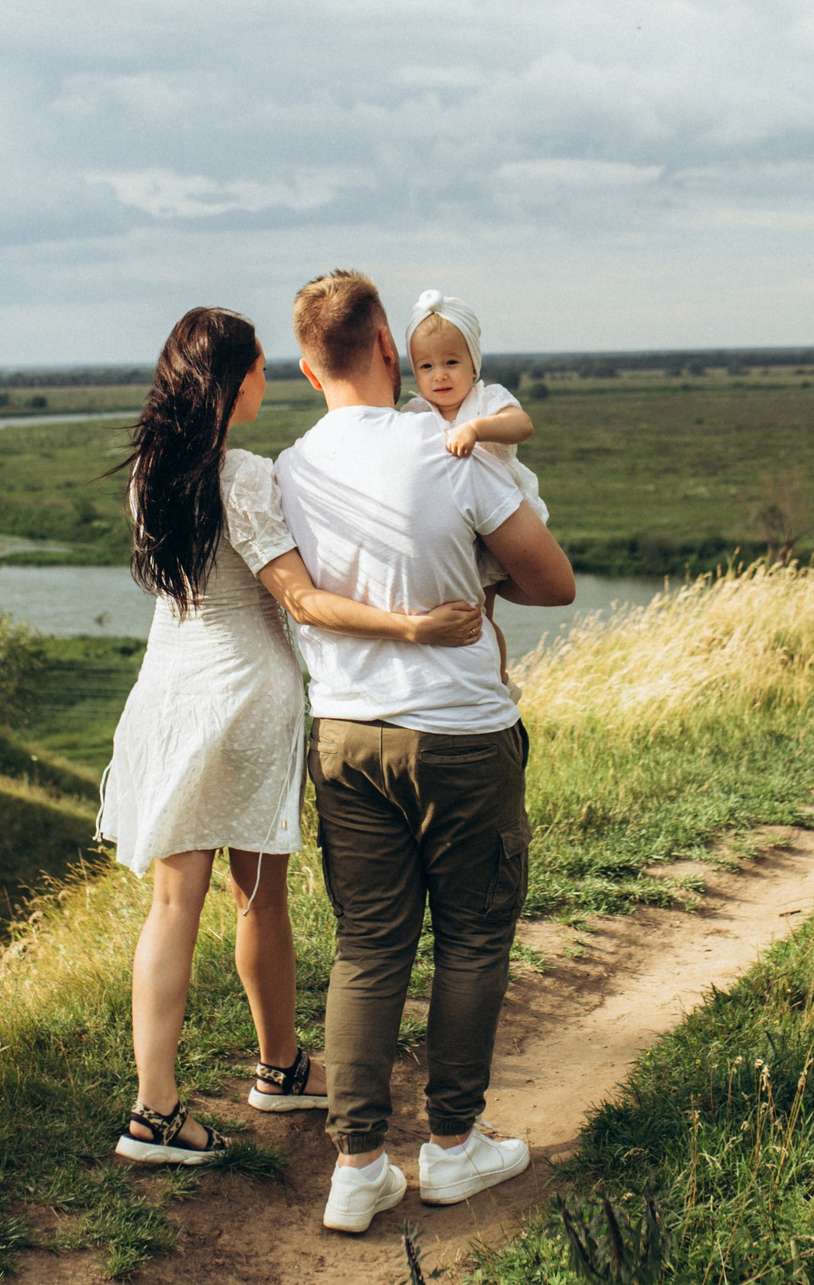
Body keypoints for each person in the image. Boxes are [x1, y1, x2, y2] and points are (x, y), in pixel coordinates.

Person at [95, 307, 486, 1167]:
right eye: (260, 368)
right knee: (256, 896)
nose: (267, 382)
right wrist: (413, 625)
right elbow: (301, 600)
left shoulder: (150, 474)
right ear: (231, 381)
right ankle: (245, 1078)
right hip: (243, 697)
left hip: (168, 692)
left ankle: (178, 1096)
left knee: (174, 903)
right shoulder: (241, 474)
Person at [272, 270, 577, 1234]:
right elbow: (555, 582)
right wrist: (480, 585)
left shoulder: (289, 469)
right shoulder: (453, 447)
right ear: (388, 349)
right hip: (460, 736)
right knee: (473, 937)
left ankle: (357, 1165)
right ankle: (451, 1145)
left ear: (307, 367)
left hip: (345, 736)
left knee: (368, 945)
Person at [398, 289, 545, 680]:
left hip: (498, 523)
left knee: (483, 614)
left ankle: (498, 680)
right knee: (458, 612)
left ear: (474, 364)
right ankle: (457, 677)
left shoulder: (487, 399)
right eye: (426, 366)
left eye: (451, 362)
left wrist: (476, 429)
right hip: (449, 527)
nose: (440, 374)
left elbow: (522, 425)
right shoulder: (415, 412)